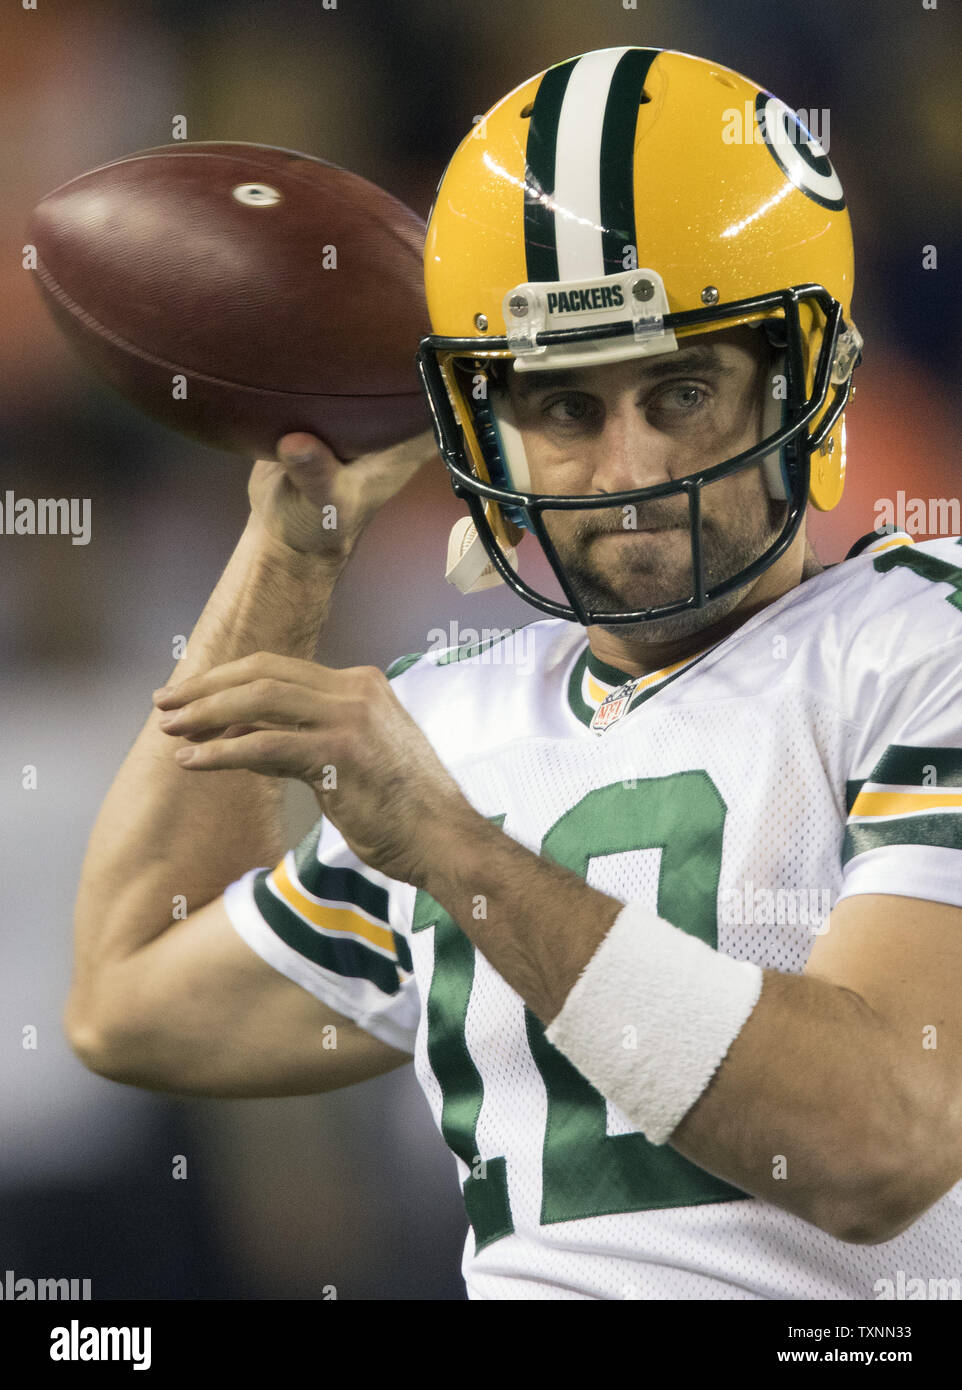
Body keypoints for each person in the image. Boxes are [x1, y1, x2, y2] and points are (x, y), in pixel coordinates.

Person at [67, 46, 962, 1300]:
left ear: (807, 384)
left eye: (684, 386)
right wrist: (290, 549)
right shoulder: (456, 717)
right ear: (485, 427)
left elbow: (882, 1147)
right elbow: (131, 1000)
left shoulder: (921, 642)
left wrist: (457, 853)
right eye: (565, 409)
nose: (626, 470)